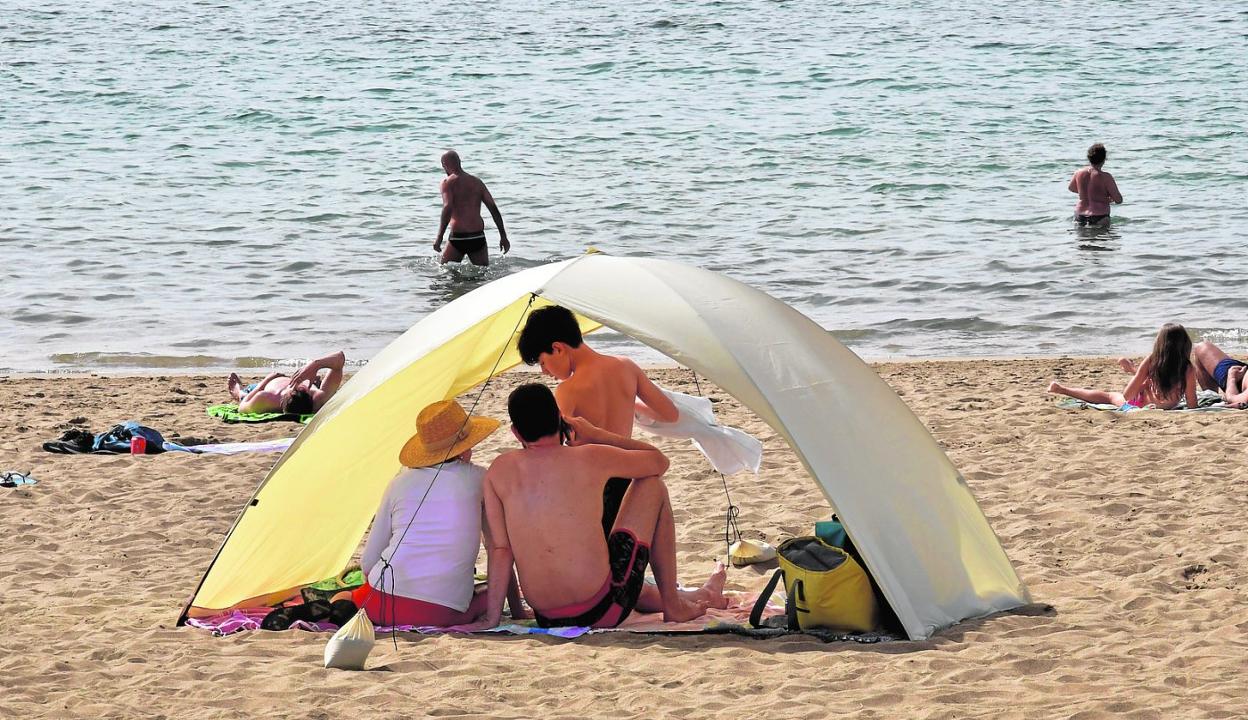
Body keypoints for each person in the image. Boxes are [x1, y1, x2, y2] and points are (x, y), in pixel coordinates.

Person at [450, 383, 726, 632]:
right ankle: (673, 605)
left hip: (547, 616)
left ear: (515, 432)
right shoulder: (591, 456)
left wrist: (493, 618)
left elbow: (500, 549)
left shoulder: (499, 470)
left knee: (610, 566)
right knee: (653, 485)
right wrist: (597, 435)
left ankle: (694, 595)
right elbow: (658, 462)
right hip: (602, 610)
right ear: (560, 420)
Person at [343, 399, 526, 626]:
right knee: (489, 592)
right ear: (465, 447)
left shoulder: (399, 483)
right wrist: (516, 612)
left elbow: (369, 563)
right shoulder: (480, 479)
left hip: (378, 604)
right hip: (440, 612)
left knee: (345, 597)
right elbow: (497, 549)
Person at [517, 305, 679, 536]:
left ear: (558, 348)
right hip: (629, 477)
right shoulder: (626, 366)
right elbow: (669, 414)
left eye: (543, 362)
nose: (544, 372)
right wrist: (628, 402)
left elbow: (554, 446)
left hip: (594, 486)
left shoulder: (568, 390)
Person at [1047, 323, 1198, 410]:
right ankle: (1131, 368)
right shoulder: (1187, 368)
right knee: (1142, 380)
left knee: (1110, 396)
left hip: (1141, 405)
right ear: (1185, 345)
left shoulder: (1152, 360)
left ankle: (1062, 389)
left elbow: (1127, 396)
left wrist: (1143, 382)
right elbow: (1192, 404)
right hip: (1164, 406)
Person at [433, 150, 510, 266]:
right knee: (482, 277)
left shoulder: (447, 183)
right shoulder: (477, 182)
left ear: (445, 164)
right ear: (459, 162)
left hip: (458, 238)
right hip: (478, 237)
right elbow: (493, 209)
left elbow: (447, 208)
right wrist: (503, 236)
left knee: (444, 274)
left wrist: (439, 237)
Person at [227, 350, 346, 415]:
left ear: (282, 399)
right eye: (300, 387)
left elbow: (242, 407)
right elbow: (340, 358)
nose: (294, 385)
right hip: (304, 390)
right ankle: (316, 382)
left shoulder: (267, 399)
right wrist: (315, 365)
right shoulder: (319, 398)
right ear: (308, 393)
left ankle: (237, 390)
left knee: (244, 395)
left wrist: (266, 381)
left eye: (291, 389)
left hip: (261, 387)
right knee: (316, 383)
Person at [1068, 142, 1123, 226]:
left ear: (1089, 158)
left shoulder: (1078, 173)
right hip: (1100, 216)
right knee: (1102, 237)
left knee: (1083, 238)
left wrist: (1087, 193)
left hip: (1080, 215)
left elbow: (1071, 188)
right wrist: (1104, 197)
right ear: (1104, 159)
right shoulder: (1106, 177)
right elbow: (1118, 200)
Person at [1191, 340, 1248, 407]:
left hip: (1238, 382)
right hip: (1242, 372)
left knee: (1201, 347)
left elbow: (1236, 400)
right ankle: (1211, 396)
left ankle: (1211, 398)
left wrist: (1231, 379)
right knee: (1202, 346)